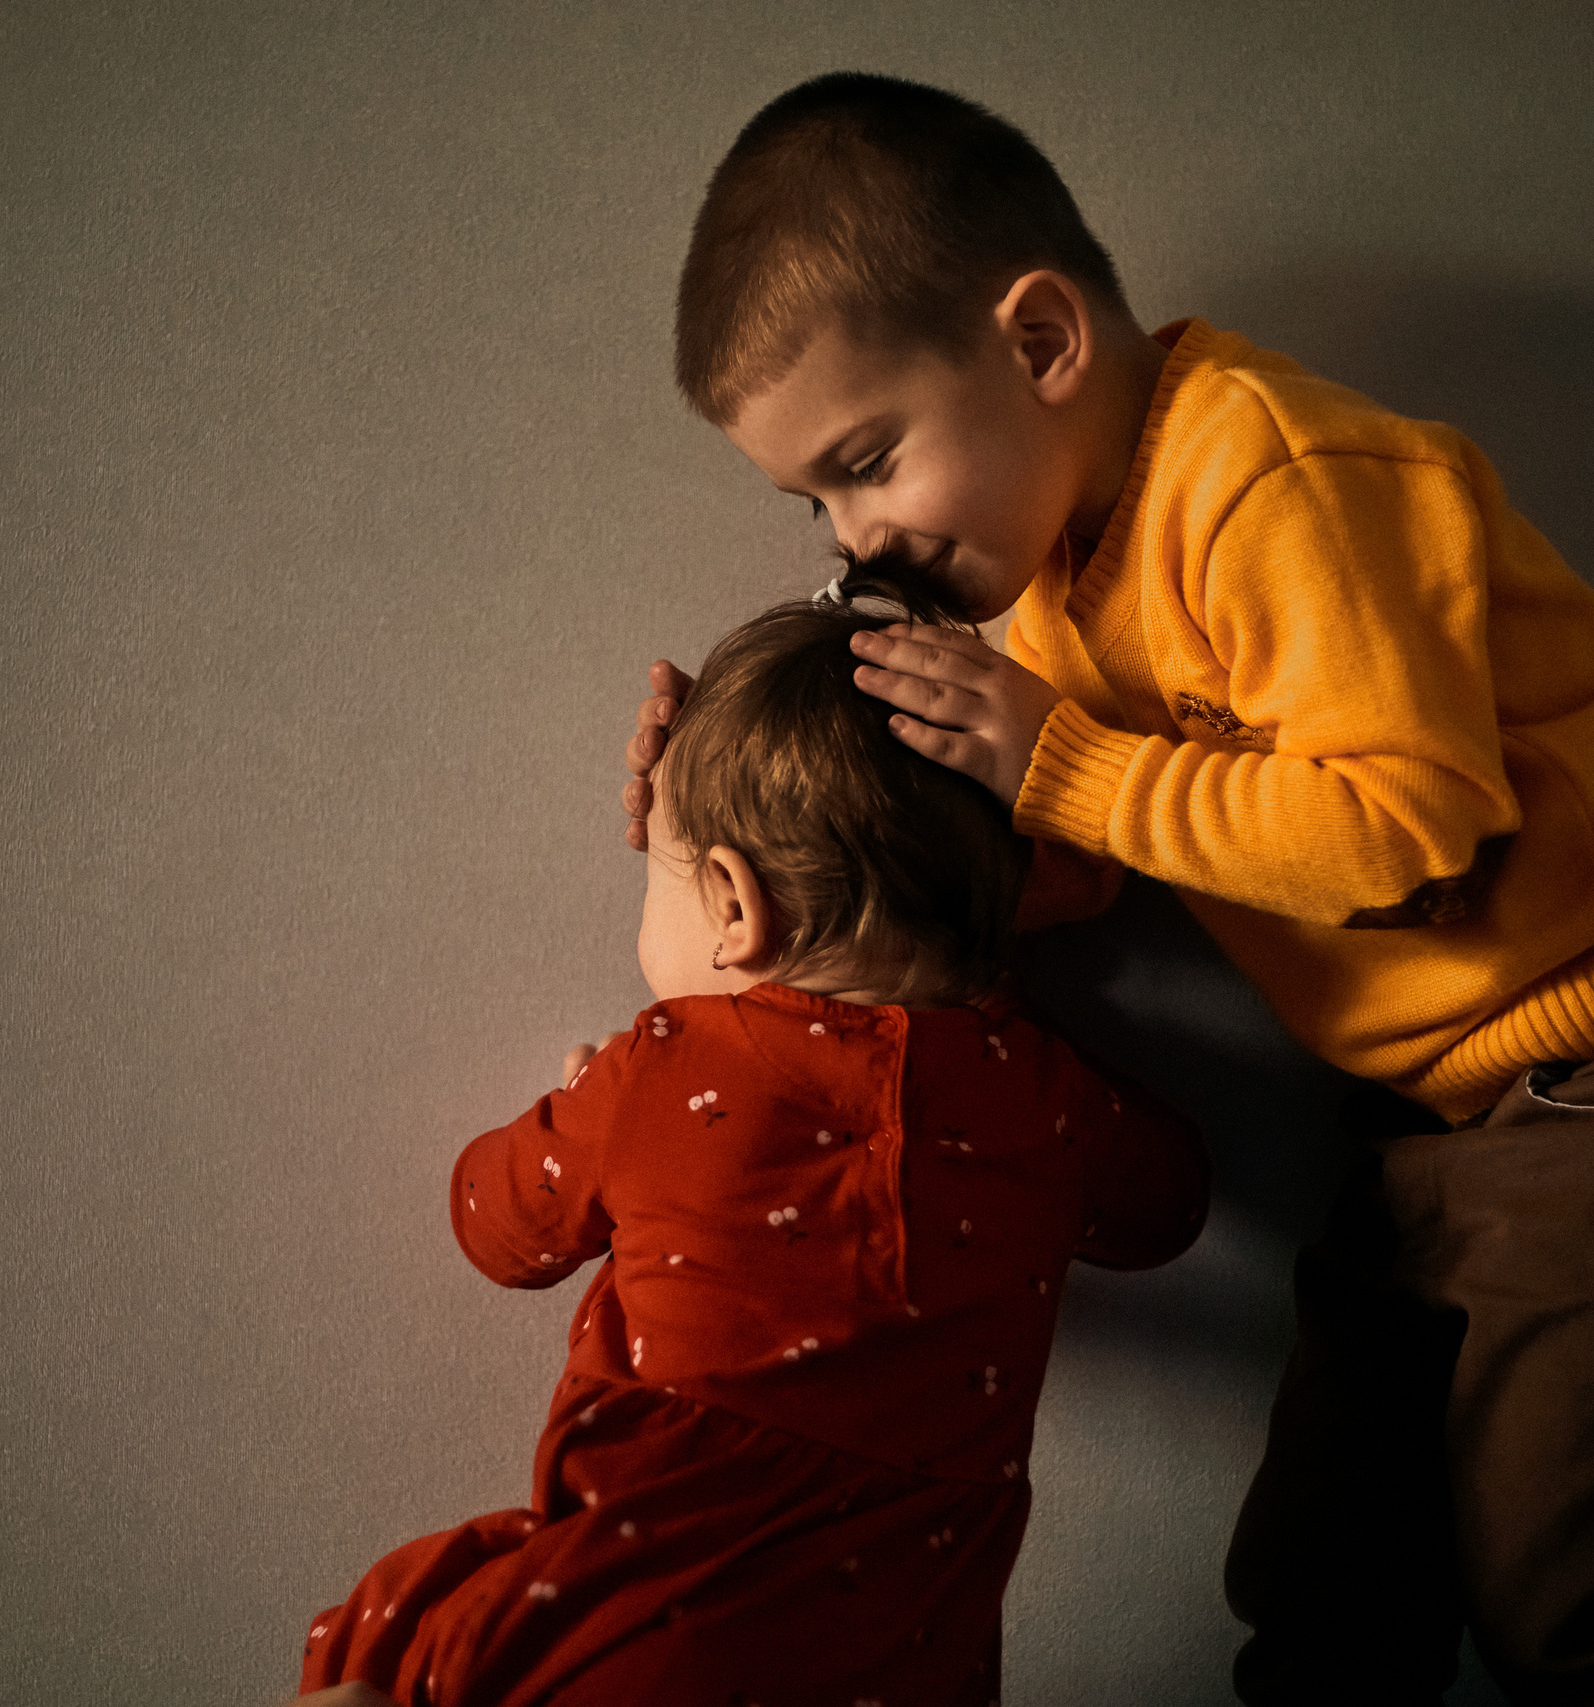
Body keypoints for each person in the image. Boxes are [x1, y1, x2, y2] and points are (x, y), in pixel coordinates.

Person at [623, 73, 1594, 1706]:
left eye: (867, 461)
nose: (856, 538)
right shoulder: (1063, 603)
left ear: (1044, 342)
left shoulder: (1272, 476)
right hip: (1447, 1121)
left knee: (1575, 1604)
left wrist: (1057, 763)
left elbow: (1409, 831)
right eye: (816, 503)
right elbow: (1113, 859)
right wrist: (731, 832)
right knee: (1328, 1589)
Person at [300, 582, 1210, 1705]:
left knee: (392, 1636)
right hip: (905, 1658)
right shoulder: (1047, 1093)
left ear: (732, 906)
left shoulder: (665, 1067)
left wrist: (580, 1105)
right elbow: (1170, 1206)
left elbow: (493, 1224)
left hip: (638, 1632)